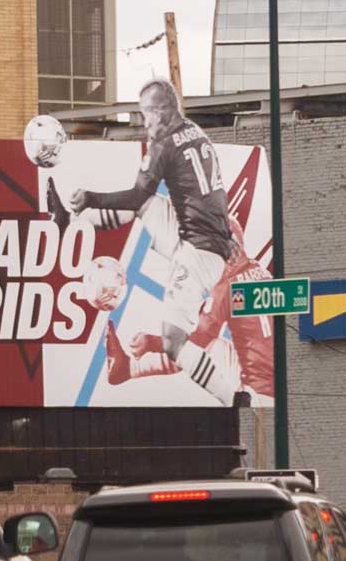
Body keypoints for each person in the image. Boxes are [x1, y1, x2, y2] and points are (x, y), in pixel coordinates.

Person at [59, 79, 242, 405]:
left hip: (198, 252)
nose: (144, 122)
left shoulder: (163, 145)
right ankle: (68, 220)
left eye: (146, 114)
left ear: (162, 110)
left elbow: (137, 191)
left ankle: (231, 398)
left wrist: (90, 197)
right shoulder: (195, 131)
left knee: (173, 342)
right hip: (202, 236)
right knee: (143, 207)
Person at [105, 216, 273, 400]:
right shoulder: (259, 270)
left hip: (260, 395)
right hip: (280, 380)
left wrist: (151, 342)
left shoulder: (227, 287)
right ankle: (127, 368)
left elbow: (198, 339)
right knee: (215, 345)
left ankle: (129, 369)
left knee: (199, 346)